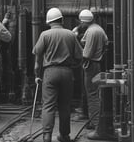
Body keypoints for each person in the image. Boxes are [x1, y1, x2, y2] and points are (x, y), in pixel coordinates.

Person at [32, 8, 82, 142]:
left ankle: (47, 136)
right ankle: (64, 136)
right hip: (67, 72)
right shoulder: (70, 35)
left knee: (48, 105)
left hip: (50, 72)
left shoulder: (45, 35)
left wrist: (37, 74)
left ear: (49, 22)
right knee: (65, 105)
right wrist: (72, 66)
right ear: (62, 20)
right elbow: (79, 56)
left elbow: (37, 59)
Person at [79, 9, 108, 139]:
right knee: (93, 93)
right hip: (98, 63)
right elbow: (106, 43)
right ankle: (94, 121)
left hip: (91, 64)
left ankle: (97, 126)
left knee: (92, 95)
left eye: (81, 22)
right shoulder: (98, 29)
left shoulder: (91, 31)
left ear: (84, 21)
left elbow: (86, 54)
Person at [71, 10, 93, 125]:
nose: (80, 23)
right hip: (85, 62)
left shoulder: (88, 32)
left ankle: (86, 113)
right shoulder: (90, 30)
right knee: (85, 88)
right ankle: (85, 111)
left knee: (86, 89)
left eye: (81, 21)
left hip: (87, 62)